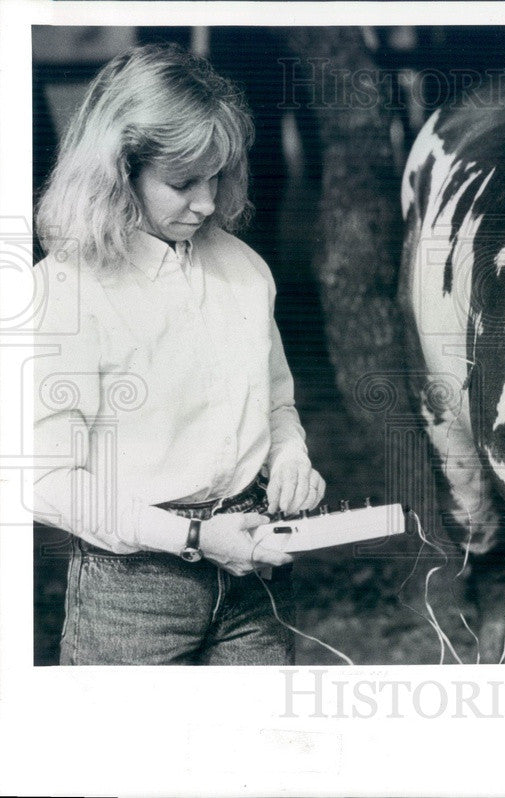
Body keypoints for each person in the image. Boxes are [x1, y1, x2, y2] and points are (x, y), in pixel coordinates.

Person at [33, 43, 325, 665]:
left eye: (217, 176)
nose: (209, 203)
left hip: (256, 571)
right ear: (117, 172)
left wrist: (290, 453)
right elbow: (47, 479)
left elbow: (276, 403)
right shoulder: (67, 290)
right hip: (134, 592)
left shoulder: (245, 271)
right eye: (182, 182)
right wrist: (194, 537)